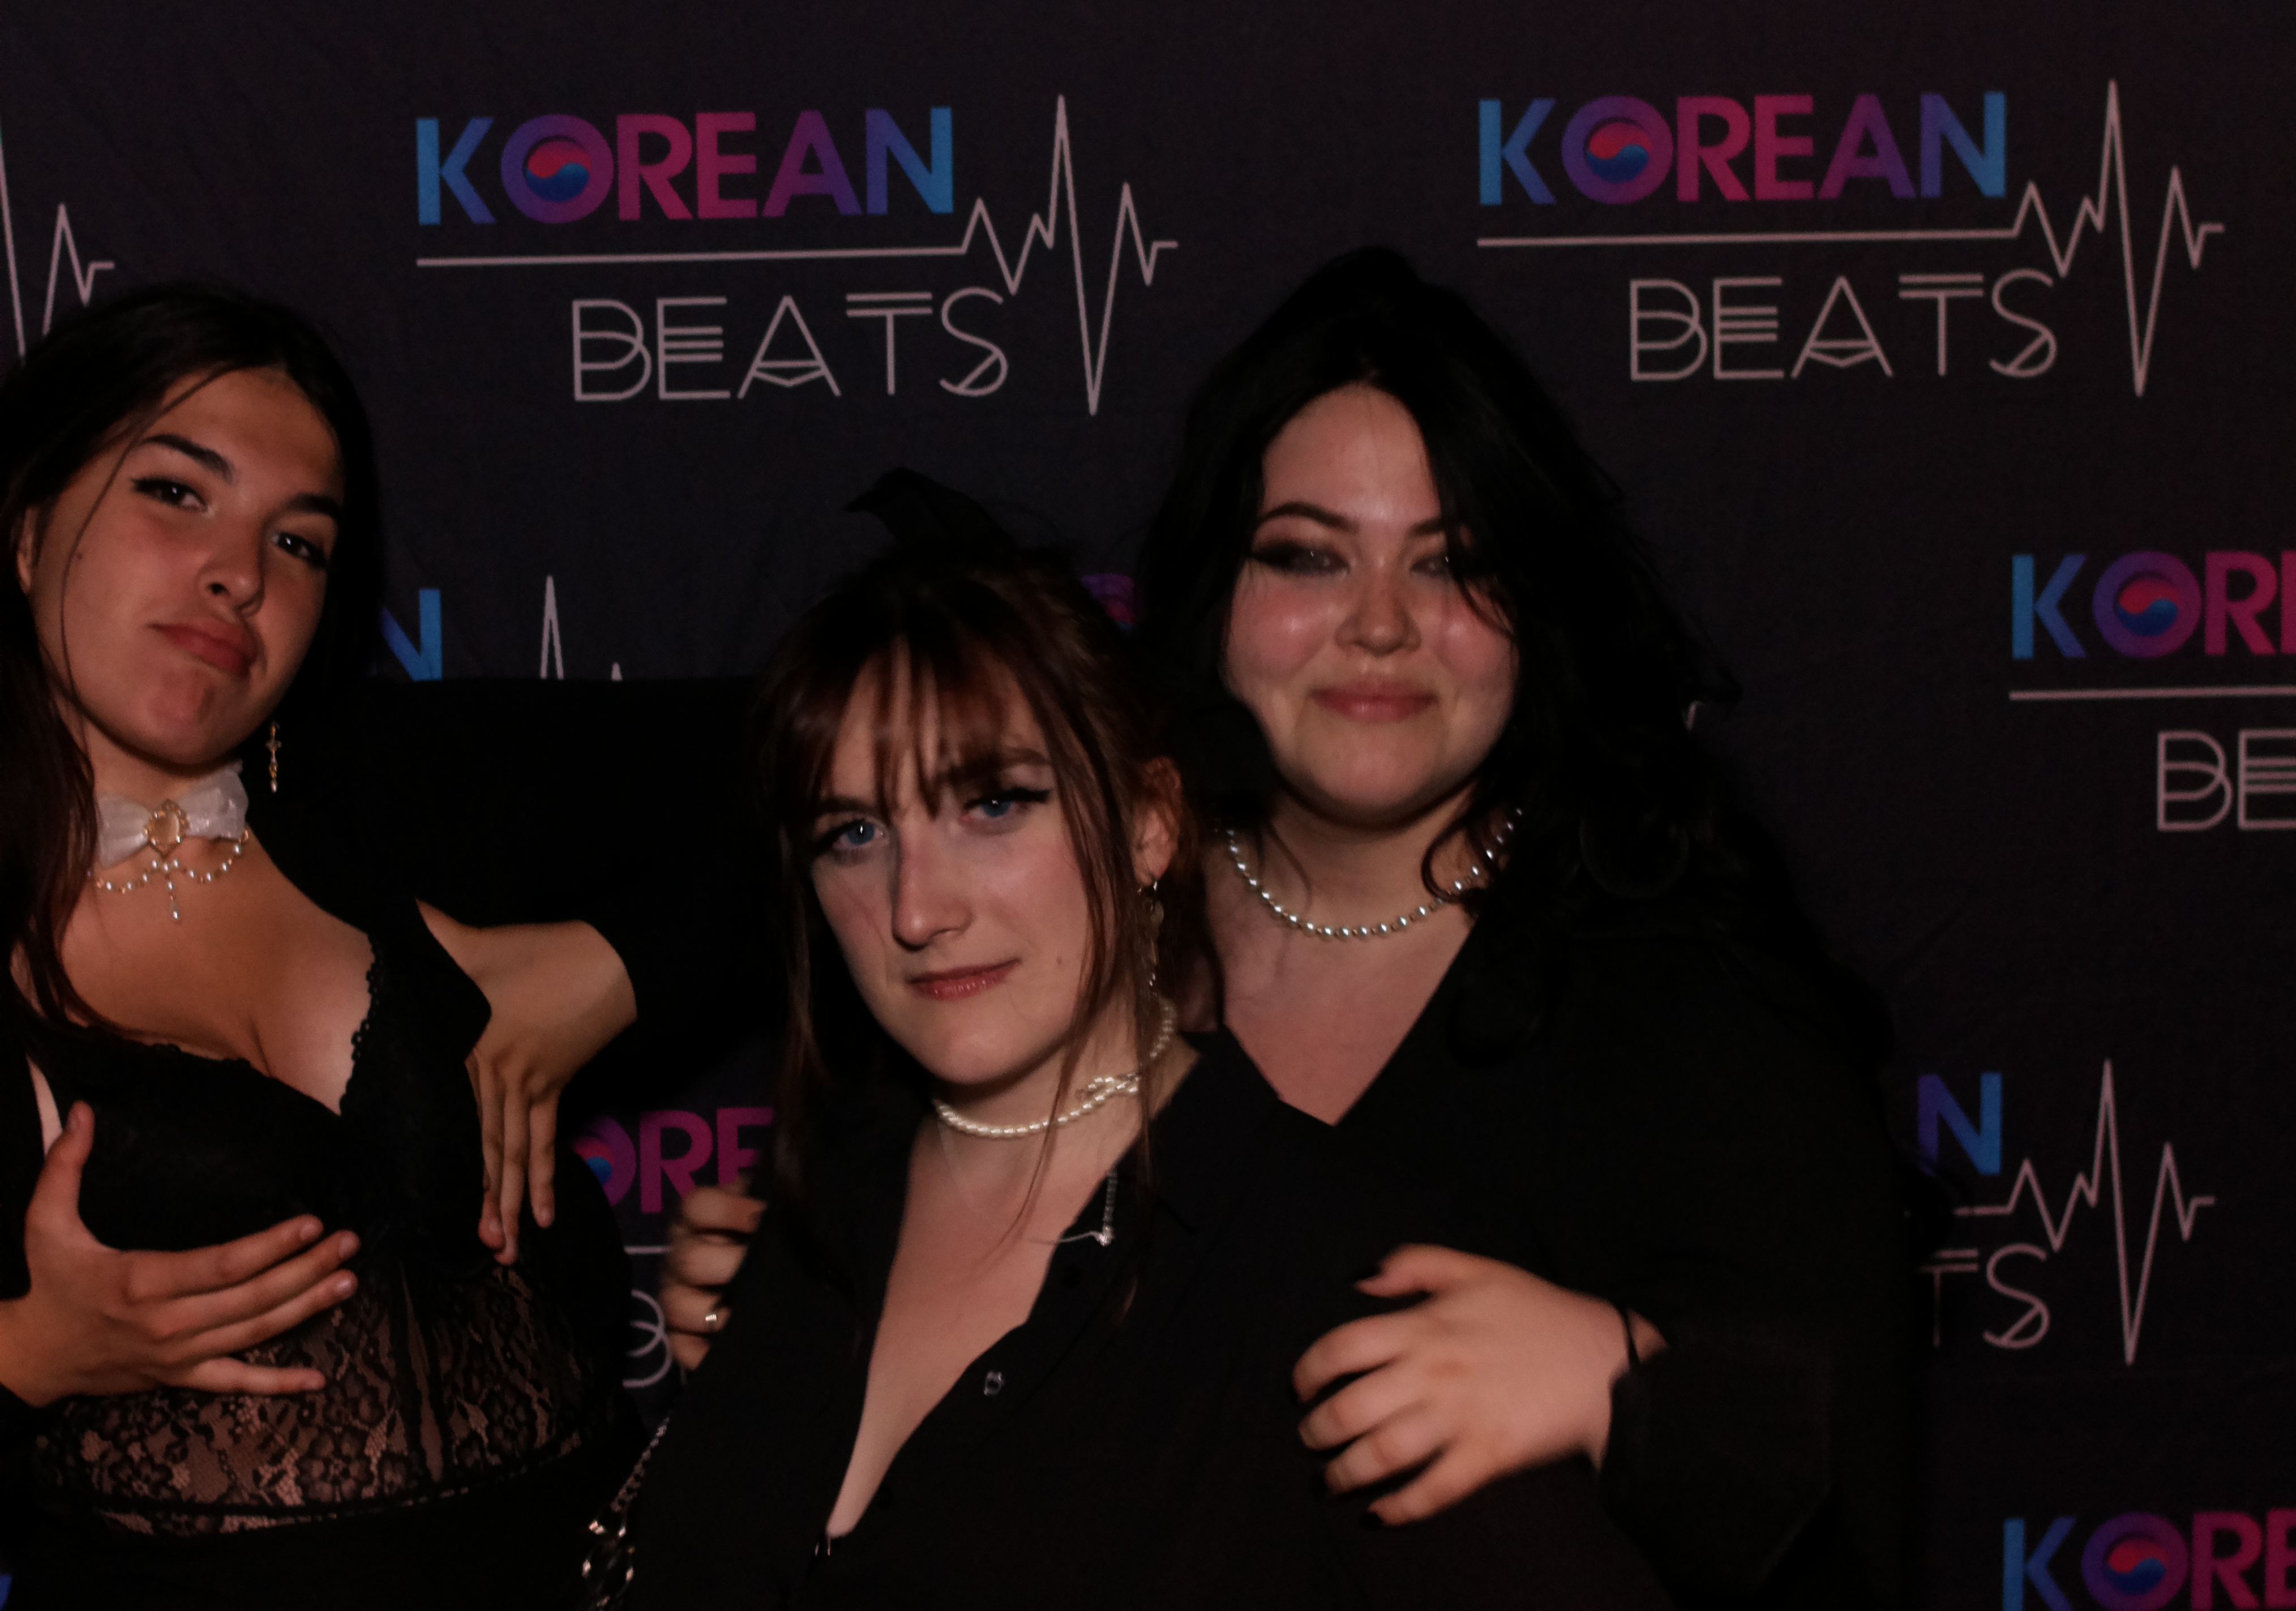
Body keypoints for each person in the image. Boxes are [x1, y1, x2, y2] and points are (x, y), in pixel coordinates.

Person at [664, 252, 1913, 1609]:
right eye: (1309, 555)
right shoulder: (1036, 918)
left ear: (1536, 609)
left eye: (1453, 563)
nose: (1378, 624)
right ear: (1217, 591)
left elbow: (1848, 1509)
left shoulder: (1700, 1023)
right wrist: (810, 1312)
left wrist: (1625, 1380)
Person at [622, 527, 1672, 1609]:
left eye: (993, 804)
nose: (916, 909)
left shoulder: (1337, 1276)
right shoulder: (804, 1215)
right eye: (854, 833)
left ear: (1149, 826)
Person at [0, 284, 659, 1608]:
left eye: (298, 542)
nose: (241, 572)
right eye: (176, 492)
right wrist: (24, 1355)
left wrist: (617, 965)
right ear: (27, 530)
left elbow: (812, 745)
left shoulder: (378, 795)